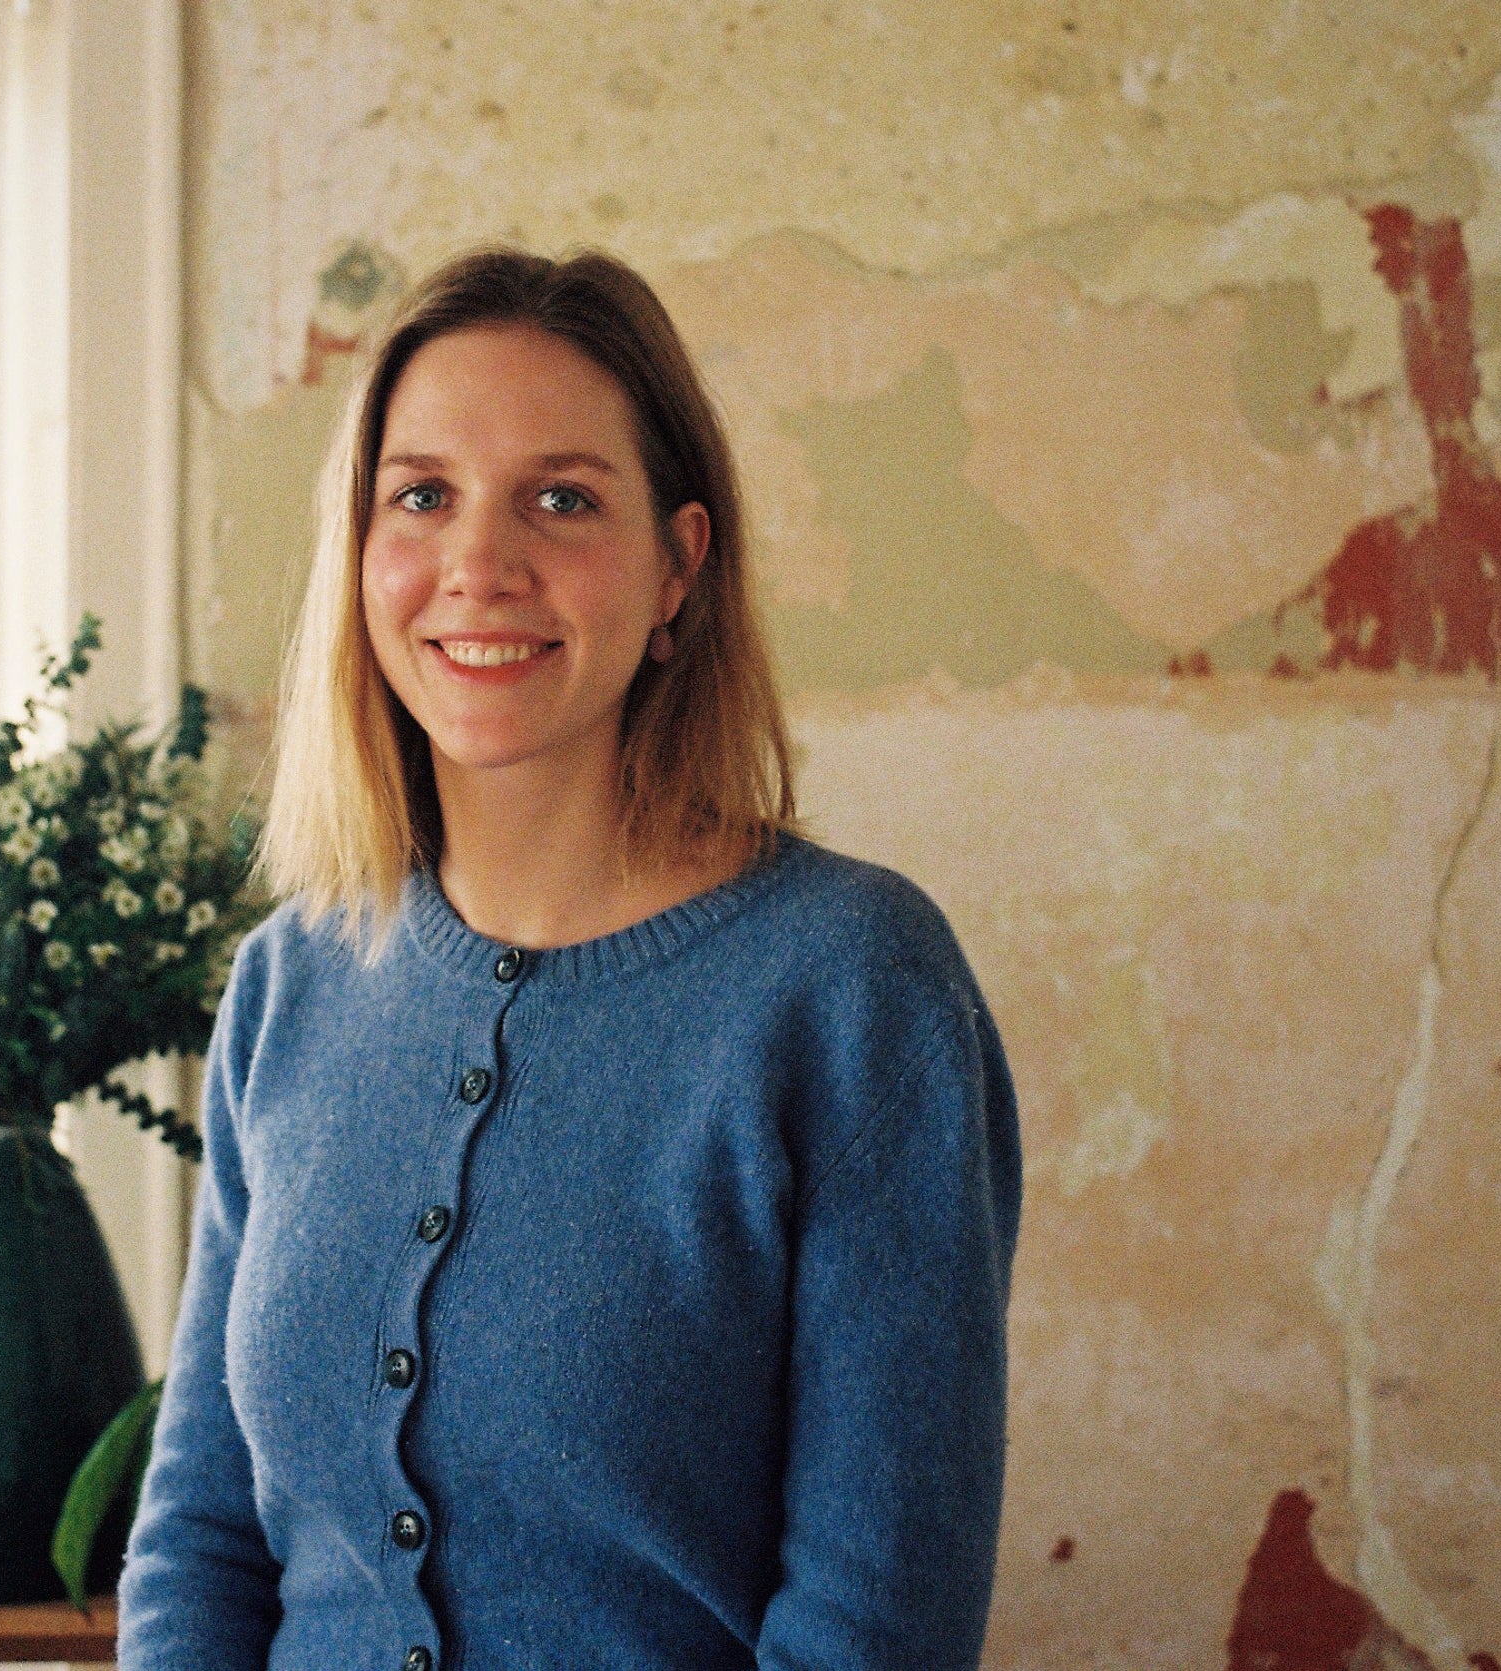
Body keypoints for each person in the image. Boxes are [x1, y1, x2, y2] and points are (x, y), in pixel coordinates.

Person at [116, 247, 1022, 1670]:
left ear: (679, 567)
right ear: (359, 555)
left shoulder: (854, 990)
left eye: (562, 498)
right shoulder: (288, 984)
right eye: (420, 495)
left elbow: (876, 1621)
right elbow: (203, 1539)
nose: (481, 564)